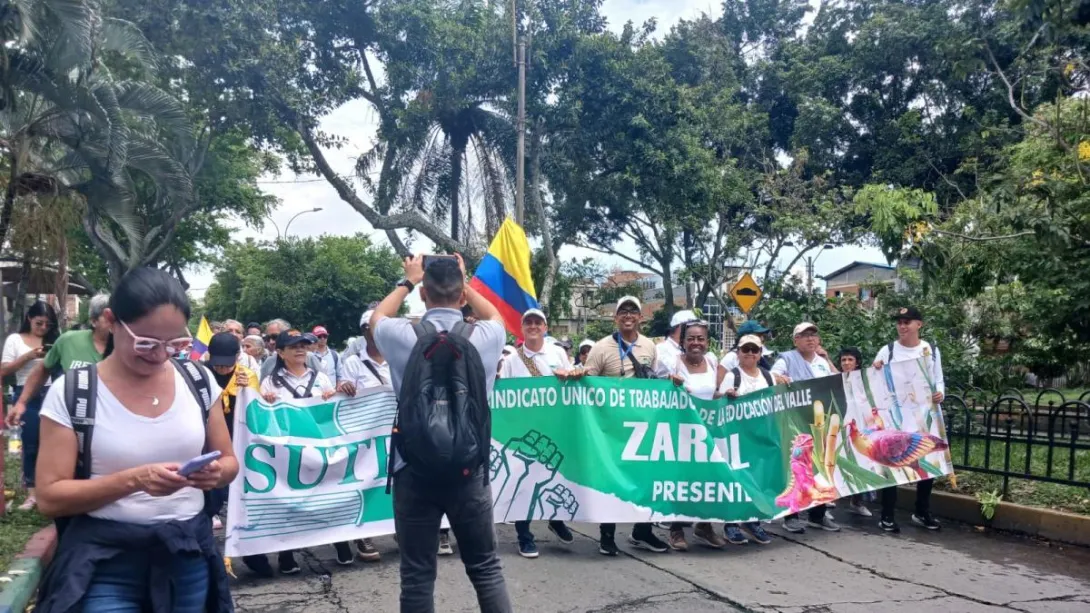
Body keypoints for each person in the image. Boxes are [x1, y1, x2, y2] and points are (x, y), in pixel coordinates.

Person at [34, 268, 238, 613]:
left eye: (175, 344)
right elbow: (50, 497)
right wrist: (134, 481)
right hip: (106, 560)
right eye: (145, 342)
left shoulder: (198, 381)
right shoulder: (74, 391)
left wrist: (215, 473)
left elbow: (230, 461)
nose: (160, 355)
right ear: (111, 321)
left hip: (186, 553)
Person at [372, 254, 511, 613]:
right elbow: (497, 316)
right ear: (462, 295)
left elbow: (377, 318)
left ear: (423, 294)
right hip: (469, 468)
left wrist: (407, 280)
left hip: (413, 469)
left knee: (417, 574)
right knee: (485, 568)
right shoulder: (488, 336)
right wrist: (464, 280)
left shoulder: (401, 334)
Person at [258, 329, 355, 572]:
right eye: (293, 347)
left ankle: (341, 544)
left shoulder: (320, 378)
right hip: (289, 450)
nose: (300, 350)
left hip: (319, 448)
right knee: (290, 500)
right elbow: (265, 420)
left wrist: (335, 395)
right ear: (280, 352)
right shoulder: (270, 382)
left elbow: (330, 413)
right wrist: (266, 401)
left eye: (303, 345)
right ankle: (286, 554)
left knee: (328, 495)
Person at [582, 296, 670, 555]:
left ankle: (642, 531)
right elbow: (588, 383)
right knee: (611, 479)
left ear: (640, 317)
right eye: (623, 311)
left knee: (645, 478)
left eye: (633, 311)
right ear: (615, 317)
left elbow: (653, 383)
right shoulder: (601, 348)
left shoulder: (650, 347)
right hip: (611, 427)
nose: (628, 315)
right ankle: (606, 535)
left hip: (642, 427)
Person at [498, 309, 580, 558]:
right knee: (524, 481)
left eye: (537, 322)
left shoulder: (557, 353)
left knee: (557, 476)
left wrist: (572, 374)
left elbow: (572, 383)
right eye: (528, 323)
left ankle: (556, 519)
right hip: (526, 431)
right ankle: (525, 536)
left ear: (545, 327)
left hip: (555, 425)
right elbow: (505, 395)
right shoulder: (513, 359)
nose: (533, 326)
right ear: (522, 329)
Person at [8, 294, 111, 491]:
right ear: (94, 320)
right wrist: (21, 402)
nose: (116, 322)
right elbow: (43, 369)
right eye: (108, 317)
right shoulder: (69, 341)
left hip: (107, 420)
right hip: (72, 420)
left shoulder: (124, 347)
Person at [872, 306, 945, 533]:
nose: (902, 326)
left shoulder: (930, 350)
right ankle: (887, 515)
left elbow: (938, 379)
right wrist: (875, 369)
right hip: (897, 416)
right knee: (893, 464)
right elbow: (875, 380)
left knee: (928, 463)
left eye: (908, 322)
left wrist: (940, 393)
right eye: (900, 322)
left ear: (919, 325)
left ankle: (921, 511)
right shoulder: (888, 350)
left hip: (924, 414)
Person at [664, 320, 729, 551]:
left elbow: (717, 392)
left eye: (700, 338)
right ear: (683, 342)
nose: (695, 343)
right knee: (681, 480)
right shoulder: (673, 363)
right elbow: (657, 390)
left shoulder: (712, 361)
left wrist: (726, 395)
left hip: (707, 432)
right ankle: (676, 529)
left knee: (708, 479)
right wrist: (671, 383)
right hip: (679, 431)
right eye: (691, 338)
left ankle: (704, 526)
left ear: (707, 342)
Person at [771, 322, 840, 534]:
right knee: (795, 468)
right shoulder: (787, 359)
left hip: (820, 423)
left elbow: (838, 380)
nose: (810, 339)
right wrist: (781, 378)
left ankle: (817, 515)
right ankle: (791, 515)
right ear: (796, 340)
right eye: (804, 335)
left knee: (820, 468)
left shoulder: (822, 362)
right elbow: (772, 376)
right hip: (796, 422)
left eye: (813, 335)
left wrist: (828, 358)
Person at [715, 334, 776, 546]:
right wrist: (727, 396)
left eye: (754, 350)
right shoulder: (733, 376)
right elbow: (718, 405)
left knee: (758, 480)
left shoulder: (769, 377)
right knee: (737, 480)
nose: (750, 353)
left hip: (761, 438)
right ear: (738, 353)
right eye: (745, 349)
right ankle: (731, 523)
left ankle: (752, 520)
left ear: (760, 354)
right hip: (737, 439)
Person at [2, 301, 59, 510]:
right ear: (29, 319)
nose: (43, 328)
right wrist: (29, 356)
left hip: (52, 393)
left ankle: (50, 490)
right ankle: (32, 493)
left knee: (53, 444)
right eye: (39, 323)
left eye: (48, 325)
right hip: (25, 394)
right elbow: (4, 370)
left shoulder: (54, 340)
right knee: (31, 445)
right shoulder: (15, 340)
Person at [341, 309, 385, 562]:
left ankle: (395, 529)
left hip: (396, 432)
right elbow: (345, 399)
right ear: (364, 331)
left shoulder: (398, 357)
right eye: (372, 326)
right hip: (366, 435)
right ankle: (363, 534)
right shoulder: (352, 363)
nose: (377, 330)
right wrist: (343, 389)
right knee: (365, 482)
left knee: (398, 484)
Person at [837, 347, 873, 519]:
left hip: (861, 427)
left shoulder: (865, 380)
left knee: (862, 462)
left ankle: (857, 501)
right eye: (843, 360)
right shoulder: (836, 379)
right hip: (843, 425)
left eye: (850, 360)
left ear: (857, 362)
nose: (846, 363)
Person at [654, 309, 698, 377]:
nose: (691, 331)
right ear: (674, 329)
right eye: (687, 327)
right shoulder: (660, 349)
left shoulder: (692, 350)